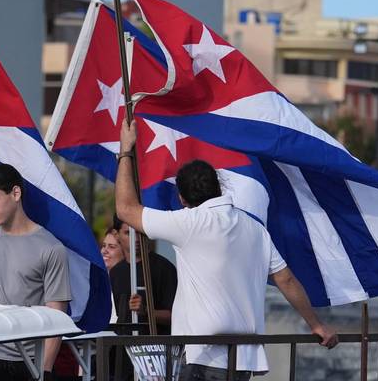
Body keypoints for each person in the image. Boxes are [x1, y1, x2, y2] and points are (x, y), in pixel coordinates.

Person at [114, 119, 338, 380]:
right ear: (219, 188)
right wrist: (316, 324)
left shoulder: (188, 223)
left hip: (202, 355)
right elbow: (286, 279)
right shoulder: (256, 229)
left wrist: (125, 152)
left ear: (182, 198)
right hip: (242, 359)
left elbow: (126, 209)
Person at [0, 163, 72, 381]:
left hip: (28, 360)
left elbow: (57, 315)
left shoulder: (52, 248)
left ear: (16, 193)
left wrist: (44, 371)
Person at [108, 219, 176, 335]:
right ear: (116, 235)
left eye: (140, 232)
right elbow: (120, 316)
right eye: (128, 233)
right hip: (123, 343)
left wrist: (145, 311)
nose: (136, 239)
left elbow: (175, 316)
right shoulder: (115, 272)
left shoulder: (164, 268)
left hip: (156, 343)